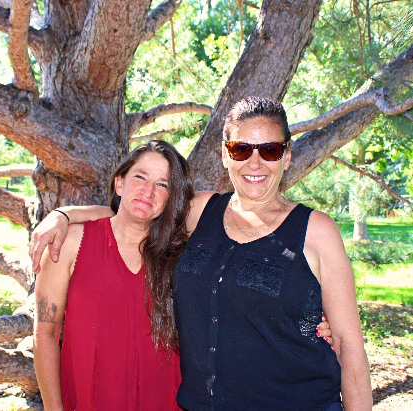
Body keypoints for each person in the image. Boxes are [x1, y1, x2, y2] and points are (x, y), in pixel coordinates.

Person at [30, 97, 355, 410]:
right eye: (241, 149)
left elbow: (347, 345)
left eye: (269, 150)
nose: (254, 162)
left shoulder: (312, 230)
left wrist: (310, 319)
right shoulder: (196, 213)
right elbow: (135, 212)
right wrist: (63, 215)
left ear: (286, 156)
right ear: (226, 154)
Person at [33, 140, 193, 410]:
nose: (148, 191)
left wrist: (65, 212)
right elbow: (45, 333)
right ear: (120, 183)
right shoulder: (70, 243)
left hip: (164, 400)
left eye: (162, 184)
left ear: (171, 197)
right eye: (140, 177)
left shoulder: (181, 253)